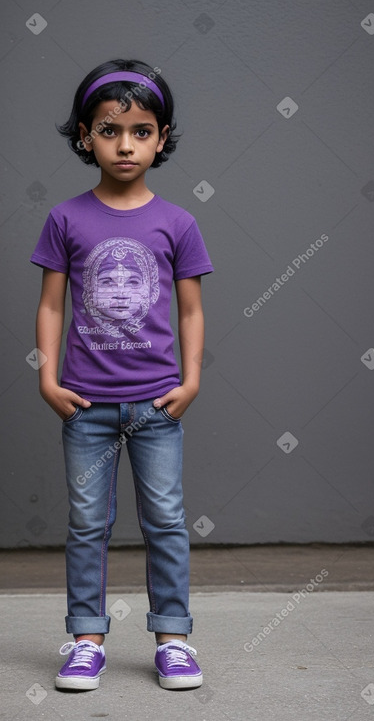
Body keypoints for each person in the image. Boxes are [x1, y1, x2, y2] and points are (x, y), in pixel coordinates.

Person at [30, 58, 213, 692]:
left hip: (158, 406)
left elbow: (190, 310)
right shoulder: (65, 219)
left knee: (165, 519)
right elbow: (52, 304)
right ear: (85, 136)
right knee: (88, 522)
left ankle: (173, 640)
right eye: (109, 130)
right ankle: (86, 640)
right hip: (85, 406)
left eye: (140, 130)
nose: (125, 143)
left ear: (161, 138)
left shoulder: (178, 223)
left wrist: (189, 383)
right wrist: (49, 380)